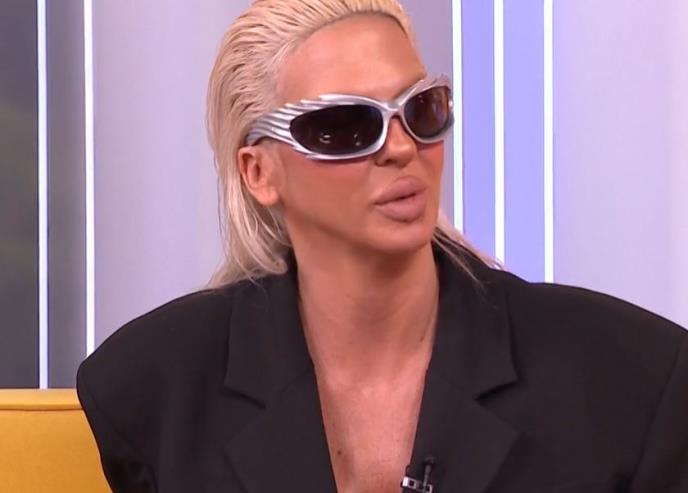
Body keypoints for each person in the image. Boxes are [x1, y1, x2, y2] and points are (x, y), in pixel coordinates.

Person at [76, 1, 688, 492]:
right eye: (345, 125)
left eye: (421, 110)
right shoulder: (152, 388)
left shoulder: (633, 376)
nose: (400, 148)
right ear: (258, 172)